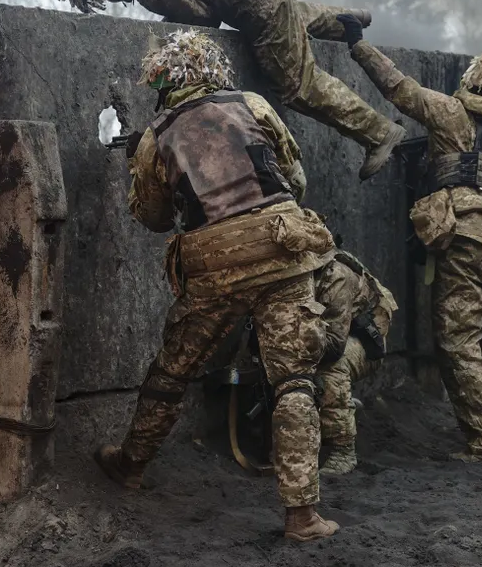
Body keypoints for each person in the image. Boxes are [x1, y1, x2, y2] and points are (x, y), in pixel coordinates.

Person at [94, 28, 339, 541]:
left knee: (172, 370)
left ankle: (132, 465)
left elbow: (154, 218)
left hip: (214, 264)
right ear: (214, 71)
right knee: (293, 379)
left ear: (163, 85)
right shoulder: (250, 103)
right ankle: (302, 516)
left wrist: (144, 167)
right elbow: (294, 177)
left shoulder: (157, 135)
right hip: (283, 246)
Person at [56, 0, 407, 180]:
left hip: (256, 0)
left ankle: (379, 133)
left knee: (296, 84)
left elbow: (203, 19)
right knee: (286, 15)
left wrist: (165, 45)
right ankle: (348, 19)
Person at [335, 14, 482, 463]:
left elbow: (398, 88)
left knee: (459, 340)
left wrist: (358, 45)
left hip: (463, 241)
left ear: (476, 80)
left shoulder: (453, 115)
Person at [313, 247, 397, 475]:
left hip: (361, 343)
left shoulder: (336, 276)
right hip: (325, 334)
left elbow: (334, 345)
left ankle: (343, 450)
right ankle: (339, 407)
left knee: (330, 368)